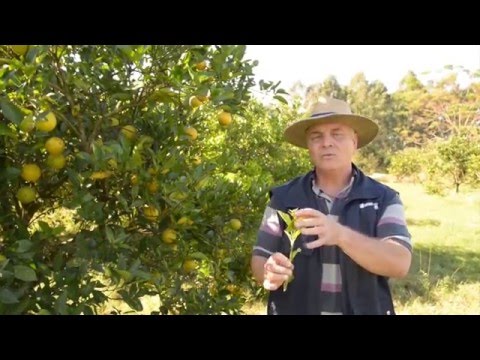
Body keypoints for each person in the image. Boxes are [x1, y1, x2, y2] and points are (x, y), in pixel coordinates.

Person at [251, 96, 412, 315]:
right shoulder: (284, 198)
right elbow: (260, 259)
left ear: (354, 142)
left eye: (337, 134)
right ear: (308, 145)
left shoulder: (383, 199)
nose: (327, 142)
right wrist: (269, 271)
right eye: (316, 136)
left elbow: (399, 263)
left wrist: (339, 235)